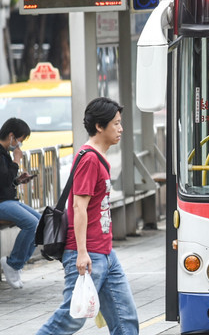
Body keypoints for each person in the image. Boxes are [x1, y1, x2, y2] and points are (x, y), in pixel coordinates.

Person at [37, 97, 139, 335]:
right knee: (71, 318)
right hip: (87, 253)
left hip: (105, 252)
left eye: (120, 123)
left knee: (126, 319)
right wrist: (82, 253)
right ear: (99, 127)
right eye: (115, 124)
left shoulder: (98, 157)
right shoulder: (89, 159)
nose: (121, 129)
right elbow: (79, 207)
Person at [0, 117, 40, 289]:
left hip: (7, 200)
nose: (19, 146)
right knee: (32, 224)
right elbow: (3, 179)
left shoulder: (4, 153)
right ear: (11, 136)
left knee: (41, 223)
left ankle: (16, 264)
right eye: (19, 141)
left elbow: (6, 182)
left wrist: (17, 181)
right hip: (2, 203)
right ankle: (13, 264)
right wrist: (16, 161)